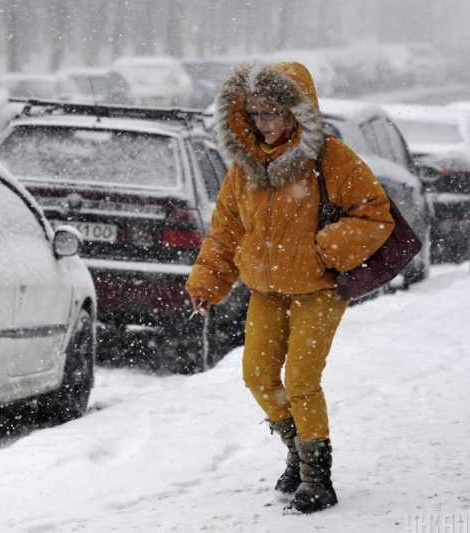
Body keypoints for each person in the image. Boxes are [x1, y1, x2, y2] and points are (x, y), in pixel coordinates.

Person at [185, 62, 394, 514]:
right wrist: (207, 281)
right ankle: (297, 454)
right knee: (257, 376)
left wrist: (323, 250)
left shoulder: (330, 157)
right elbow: (225, 230)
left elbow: (375, 215)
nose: (263, 123)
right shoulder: (245, 165)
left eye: (272, 112)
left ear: (296, 111)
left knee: (301, 379)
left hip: (318, 290)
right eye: (255, 113)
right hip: (266, 290)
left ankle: (318, 479)